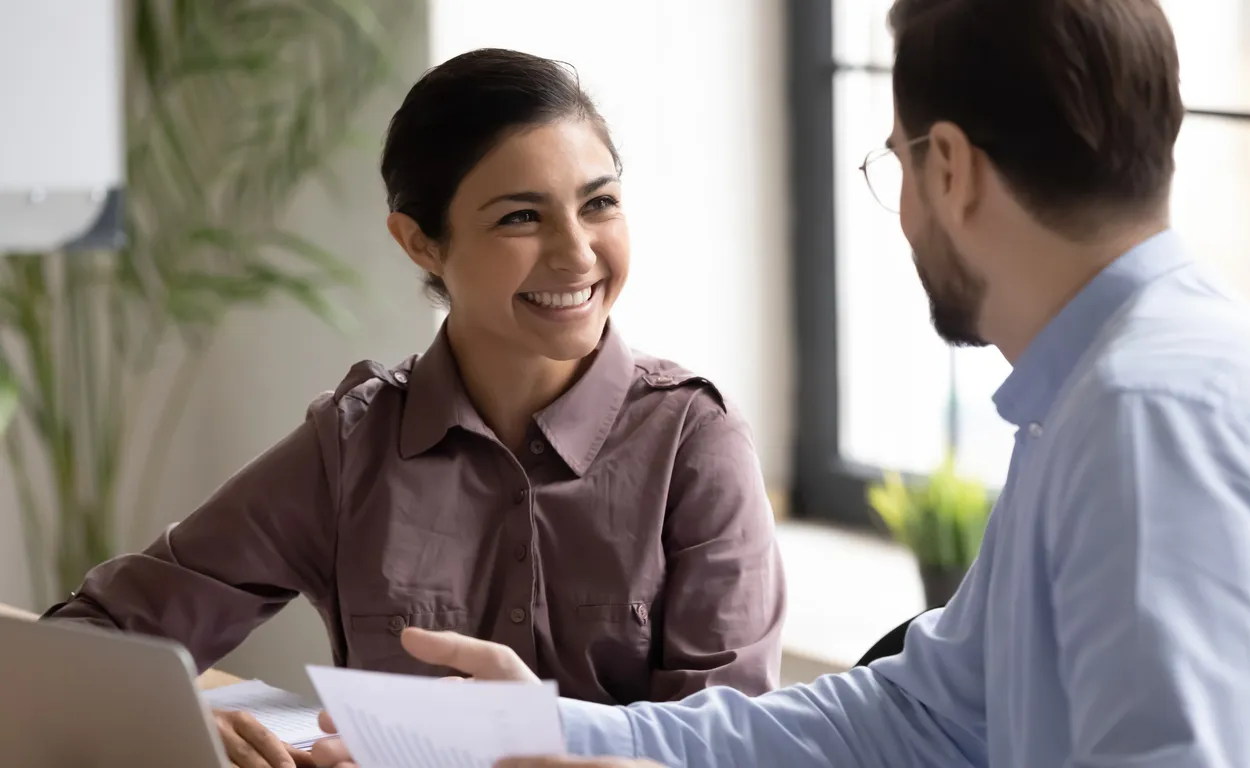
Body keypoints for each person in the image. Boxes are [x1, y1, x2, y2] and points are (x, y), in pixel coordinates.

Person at [308, 1, 1250, 766]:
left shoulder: (1151, 424)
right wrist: (563, 731)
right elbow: (922, 717)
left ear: (947, 168)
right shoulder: (1128, 391)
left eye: (897, 163)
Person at [43, 48, 785, 768]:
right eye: (521, 217)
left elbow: (730, 749)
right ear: (420, 242)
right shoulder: (351, 444)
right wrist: (201, 719)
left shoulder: (694, 441)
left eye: (598, 203)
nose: (576, 253)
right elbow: (86, 640)